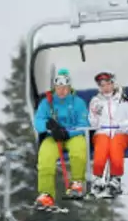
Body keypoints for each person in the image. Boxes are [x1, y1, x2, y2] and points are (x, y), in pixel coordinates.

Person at [33, 68, 89, 209]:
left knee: (78, 151)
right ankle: (46, 194)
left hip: (72, 134)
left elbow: (84, 124)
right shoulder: (47, 103)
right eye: (59, 87)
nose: (62, 91)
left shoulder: (78, 102)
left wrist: (68, 133)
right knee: (45, 158)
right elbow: (38, 121)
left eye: (65, 87)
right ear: (55, 87)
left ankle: (77, 183)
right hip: (53, 136)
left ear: (69, 87)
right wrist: (47, 125)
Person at [88, 71, 128, 199]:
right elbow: (93, 123)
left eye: (108, 84)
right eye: (102, 85)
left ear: (113, 84)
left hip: (121, 132)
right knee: (102, 146)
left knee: (115, 144)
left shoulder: (124, 98)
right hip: (102, 131)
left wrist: (120, 126)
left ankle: (115, 179)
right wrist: (96, 114)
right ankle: (97, 178)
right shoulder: (95, 100)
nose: (105, 88)